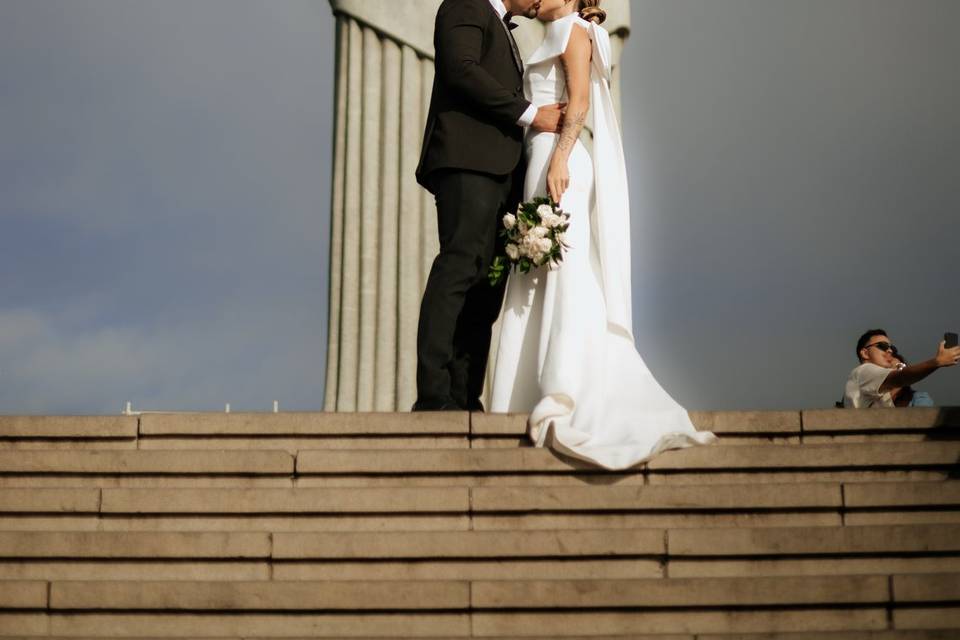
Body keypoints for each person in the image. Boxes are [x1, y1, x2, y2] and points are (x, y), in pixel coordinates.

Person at [489, 0, 717, 469]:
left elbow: (580, 100)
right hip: (540, 157)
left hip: (559, 159)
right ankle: (532, 385)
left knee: (563, 270)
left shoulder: (574, 30)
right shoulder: (550, 32)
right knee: (543, 271)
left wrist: (559, 159)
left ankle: (563, 386)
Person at [413, 0, 567, 411]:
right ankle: (433, 394)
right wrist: (533, 114)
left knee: (488, 284)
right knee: (461, 266)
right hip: (468, 164)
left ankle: (464, 395)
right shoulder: (465, 5)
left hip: (503, 175)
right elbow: (461, 69)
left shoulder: (503, 26)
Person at [843, 329, 959, 408]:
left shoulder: (874, 384)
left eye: (891, 347)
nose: (890, 350)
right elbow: (901, 378)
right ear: (865, 353)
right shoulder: (863, 371)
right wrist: (937, 362)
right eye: (882, 346)